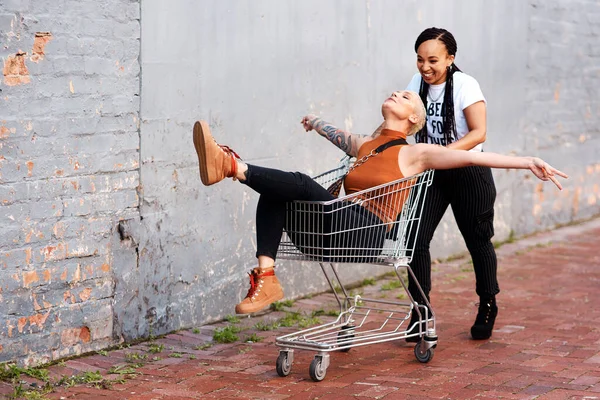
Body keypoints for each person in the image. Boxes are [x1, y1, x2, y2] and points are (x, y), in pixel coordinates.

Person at [192, 90, 566, 315]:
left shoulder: (417, 153)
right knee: (275, 189)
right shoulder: (365, 146)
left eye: (404, 97)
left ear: (414, 117)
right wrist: (314, 121)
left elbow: (474, 157)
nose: (395, 94)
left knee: (299, 183)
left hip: (365, 233)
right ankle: (267, 278)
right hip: (331, 228)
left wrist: (528, 161)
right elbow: (336, 135)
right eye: (394, 93)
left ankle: (229, 164)